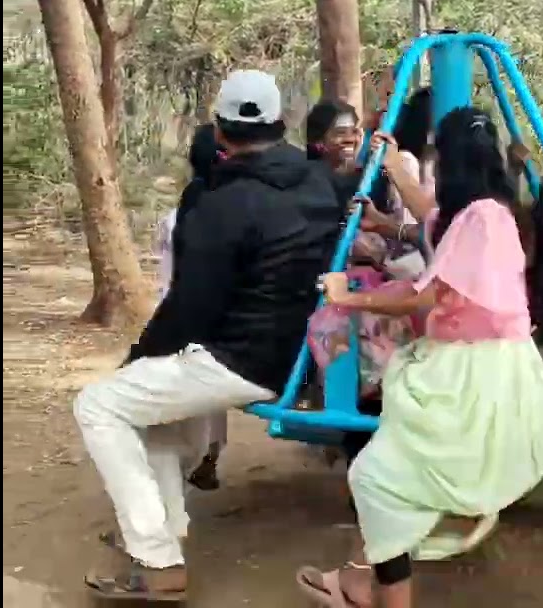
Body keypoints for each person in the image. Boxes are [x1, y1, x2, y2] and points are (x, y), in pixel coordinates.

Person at [76, 69, 343, 601]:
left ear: (219, 129)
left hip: (236, 359)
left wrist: (137, 356)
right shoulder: (319, 183)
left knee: (99, 406)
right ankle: (162, 533)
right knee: (150, 418)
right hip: (297, 356)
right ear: (282, 122)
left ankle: (157, 560)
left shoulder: (219, 202)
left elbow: (189, 308)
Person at [295, 107, 543, 608]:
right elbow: (431, 220)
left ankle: (383, 574)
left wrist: (346, 298)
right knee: (387, 480)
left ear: (450, 163)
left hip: (474, 375)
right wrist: (393, 171)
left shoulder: (482, 219)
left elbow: (425, 294)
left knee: (380, 479)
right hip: (474, 366)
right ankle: (358, 578)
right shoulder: (488, 212)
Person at [151, 123, 228, 491]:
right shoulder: (233, 211)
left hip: (178, 316)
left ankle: (198, 462)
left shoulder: (174, 217)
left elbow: (166, 275)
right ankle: (203, 459)